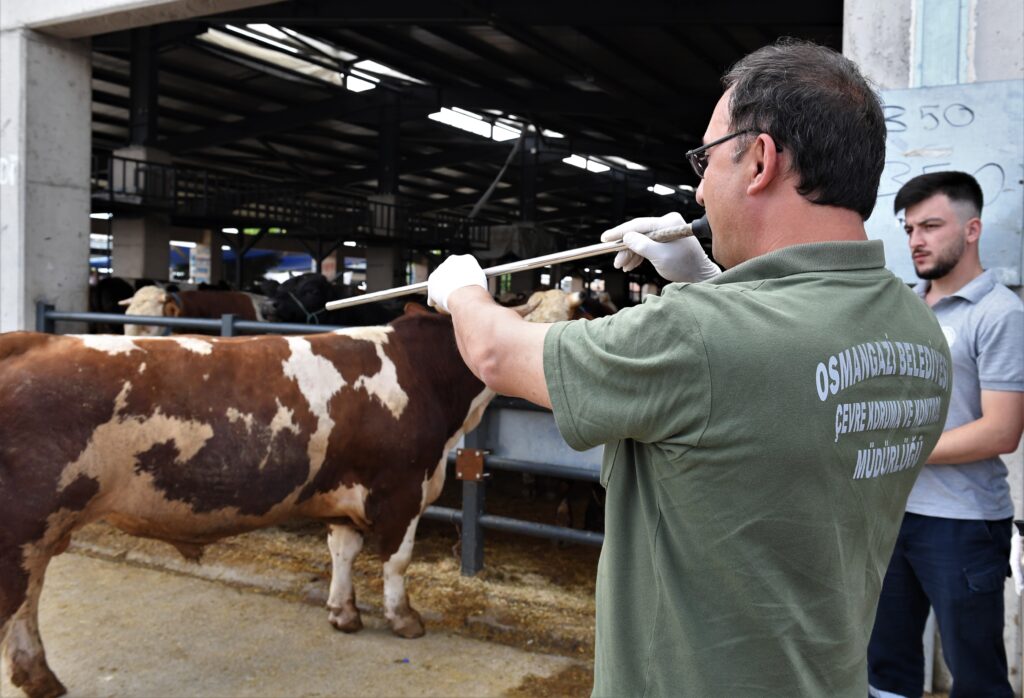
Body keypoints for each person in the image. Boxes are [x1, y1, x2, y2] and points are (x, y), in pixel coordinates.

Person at [427, 39, 952, 697]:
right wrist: (708, 279)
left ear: (759, 159)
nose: (699, 185)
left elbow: (497, 354)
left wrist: (462, 289)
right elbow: (770, 398)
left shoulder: (701, 337)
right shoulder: (916, 332)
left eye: (705, 158)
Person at [867, 172, 1024, 698]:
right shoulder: (902, 308)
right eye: (909, 227)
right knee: (884, 666)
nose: (916, 239)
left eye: (931, 225)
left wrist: (894, 452)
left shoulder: (1000, 314)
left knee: (975, 674)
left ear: (972, 229)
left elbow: (1002, 431)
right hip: (891, 514)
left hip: (964, 523)